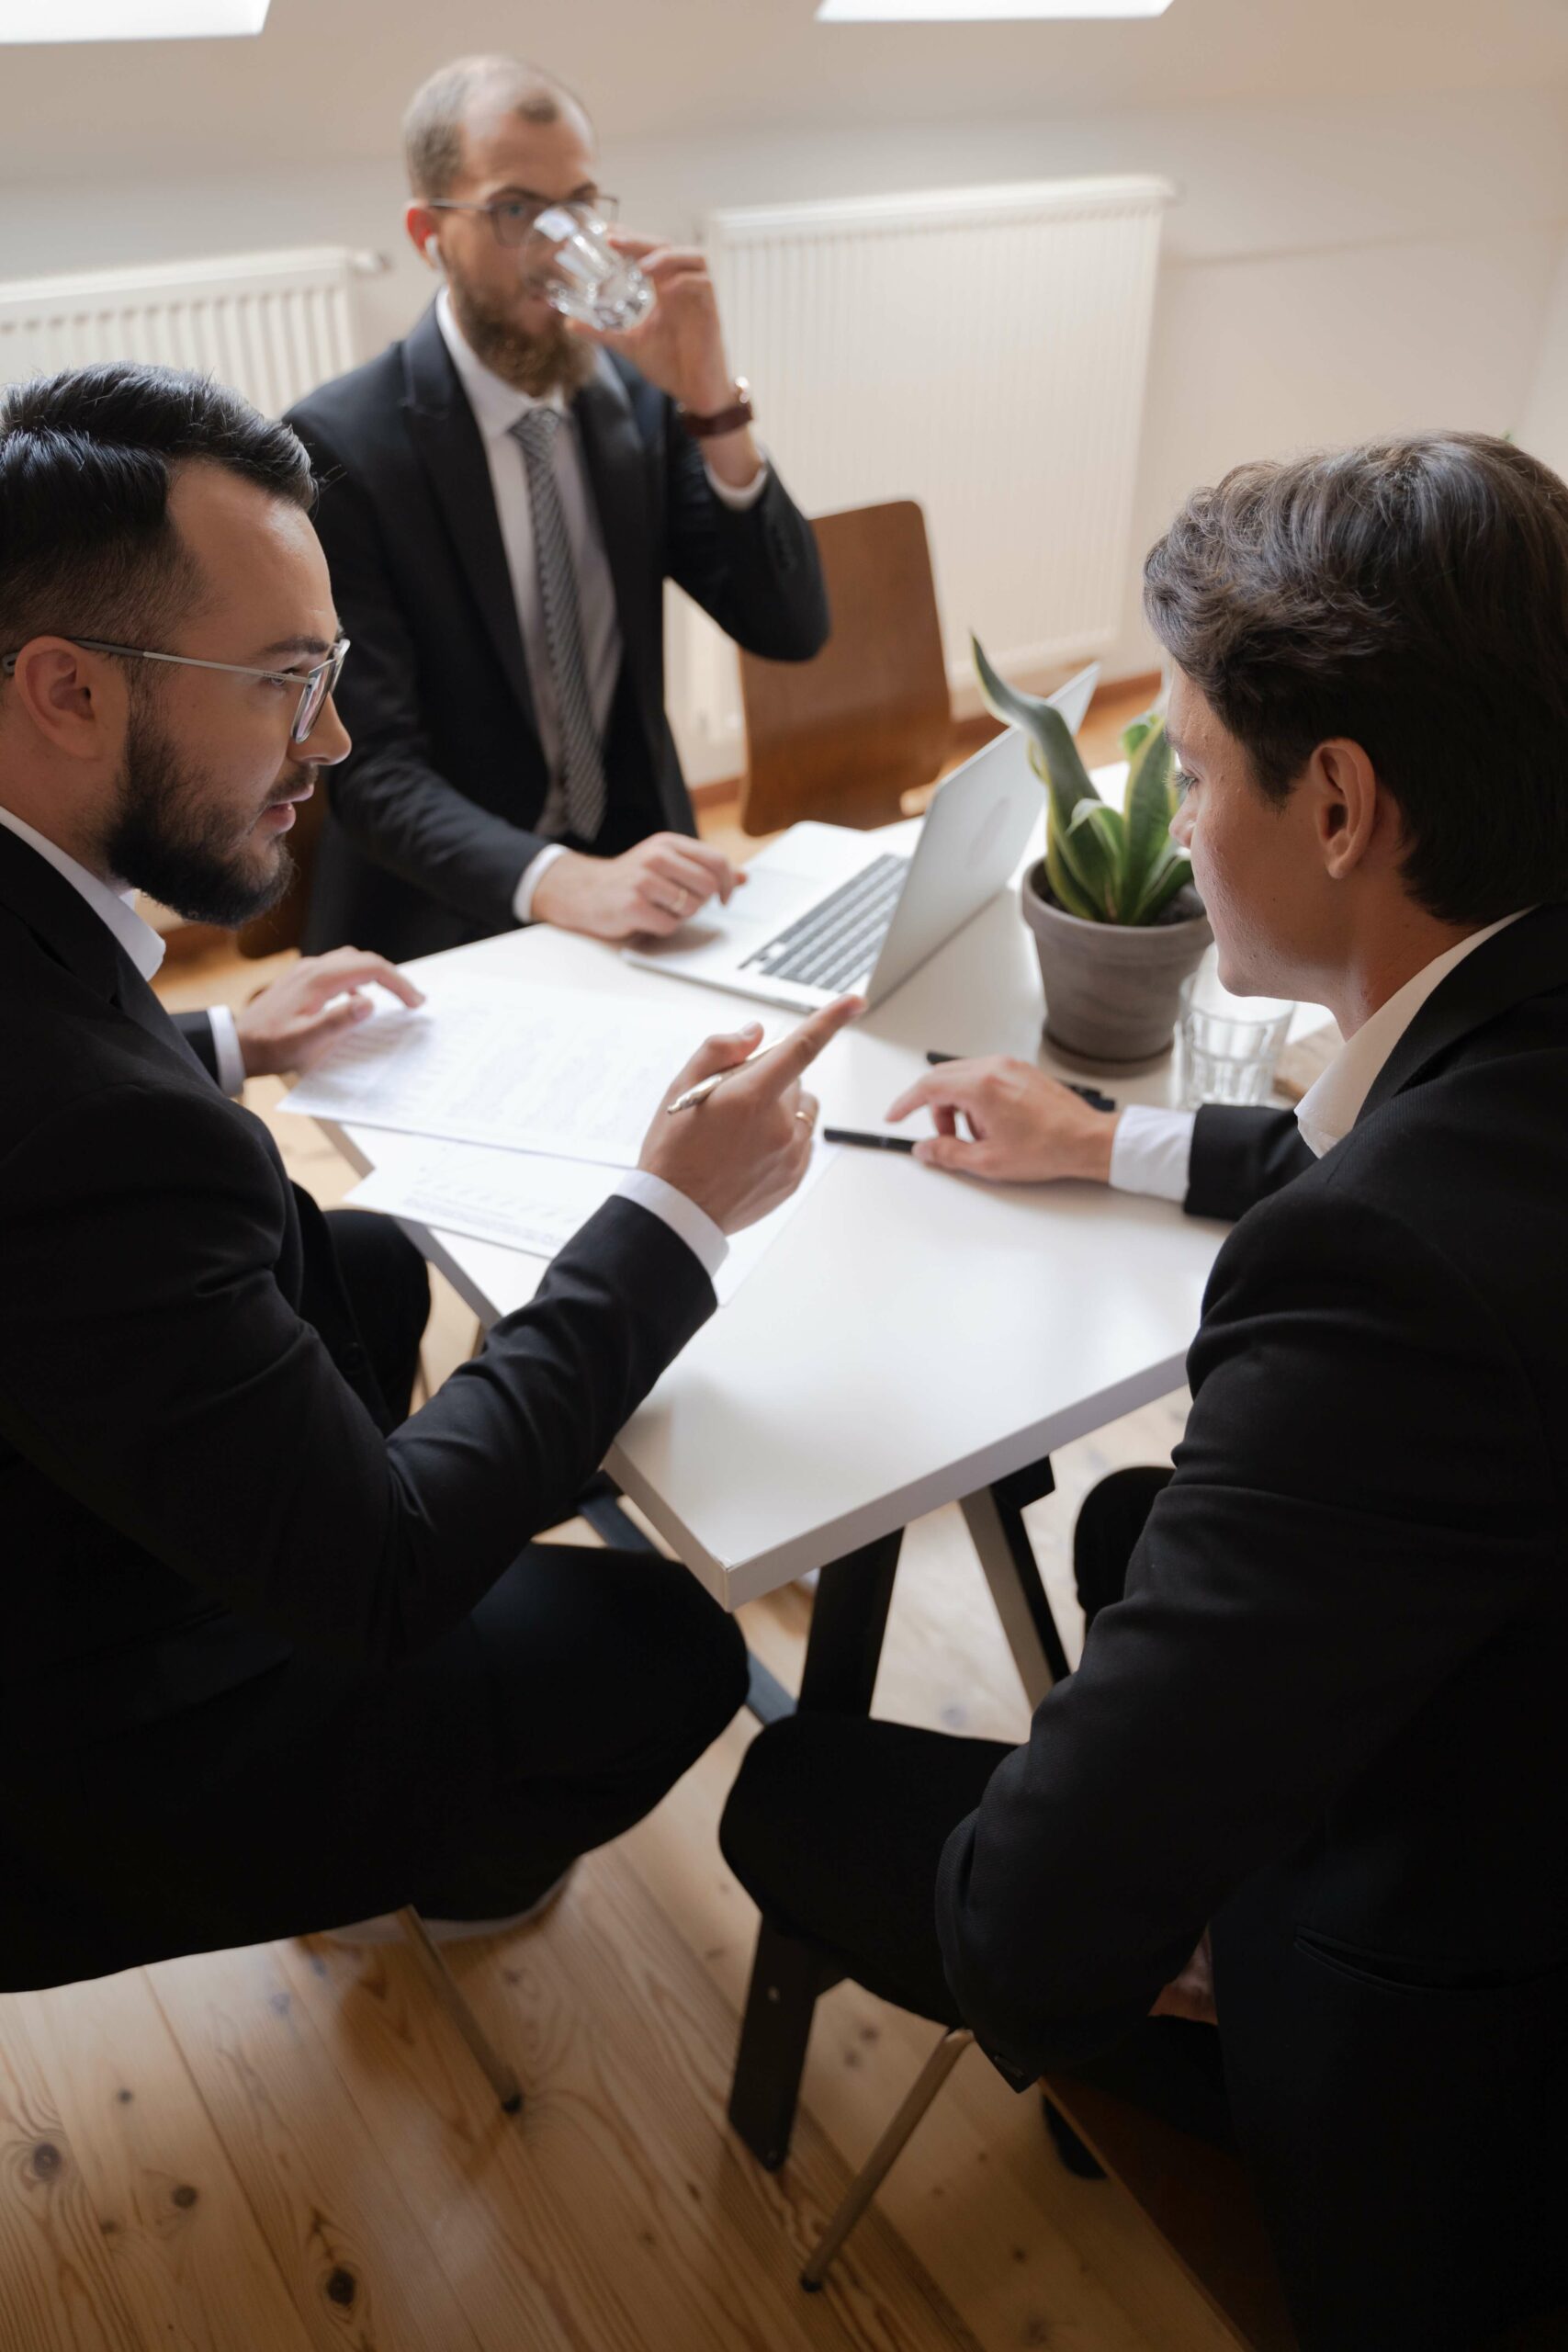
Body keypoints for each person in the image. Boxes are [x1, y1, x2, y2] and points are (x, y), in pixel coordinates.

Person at [721, 432, 1568, 2349]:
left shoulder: (1387, 1285)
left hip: (1466, 2039)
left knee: (800, 1791)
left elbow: (1025, 1931)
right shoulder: (1488, 1108)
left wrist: (1167, 1912)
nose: (1175, 824)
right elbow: (1440, 1173)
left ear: (1339, 801)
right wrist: (1109, 1145)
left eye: (1188, 771)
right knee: (1119, 1520)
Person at [0, 359, 857, 1984]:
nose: (325, 736)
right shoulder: (81, 1136)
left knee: (378, 1263)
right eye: (279, 680)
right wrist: (677, 1211)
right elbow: (381, 1568)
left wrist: (223, 1049)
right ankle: (433, 1871)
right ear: (66, 691)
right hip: (60, 1741)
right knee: (659, 1643)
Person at [287, 53, 829, 967]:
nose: (559, 241)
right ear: (430, 234)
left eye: (579, 202)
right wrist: (560, 880)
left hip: (637, 864)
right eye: (515, 210)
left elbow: (790, 626)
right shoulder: (342, 445)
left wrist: (711, 403)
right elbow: (372, 773)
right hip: (445, 909)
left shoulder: (637, 402)